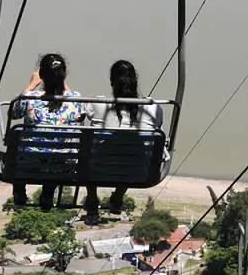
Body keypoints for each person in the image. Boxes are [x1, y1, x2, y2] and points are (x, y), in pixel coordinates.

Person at [81, 59, 163, 220]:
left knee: (90, 147)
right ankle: (118, 196)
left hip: (97, 170)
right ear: (136, 81)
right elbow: (158, 124)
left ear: (112, 82)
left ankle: (92, 198)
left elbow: (83, 114)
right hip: (138, 171)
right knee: (131, 150)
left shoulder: (99, 104)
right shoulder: (152, 107)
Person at [9, 53, 85, 212]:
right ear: (64, 74)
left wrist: (31, 85)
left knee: (15, 142)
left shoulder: (30, 98)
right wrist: (62, 82)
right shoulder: (75, 99)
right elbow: (78, 113)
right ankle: (48, 193)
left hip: (29, 166)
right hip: (64, 167)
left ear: (41, 75)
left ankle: (19, 192)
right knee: (57, 153)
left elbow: (13, 113)